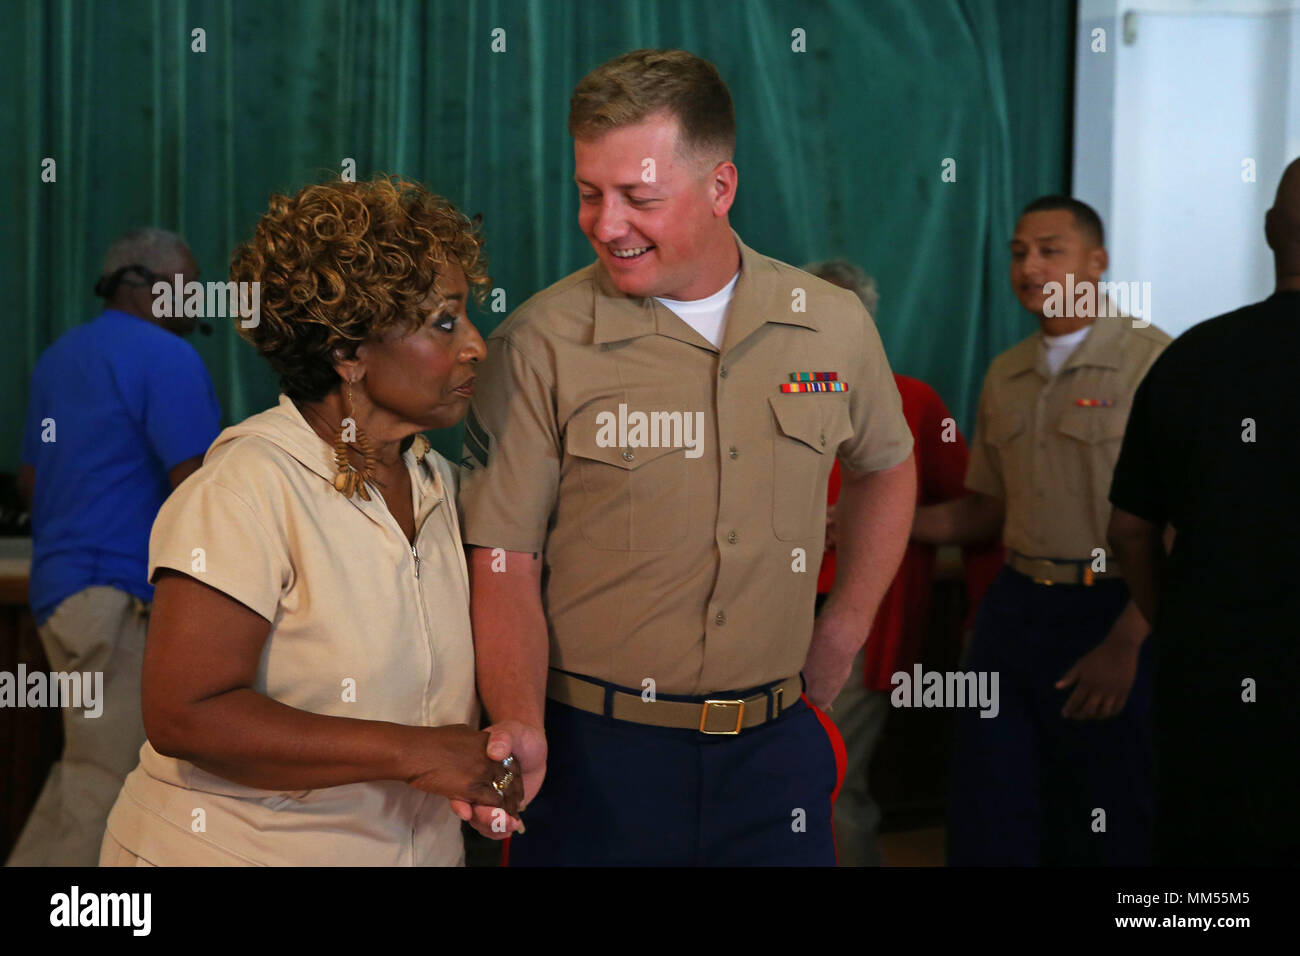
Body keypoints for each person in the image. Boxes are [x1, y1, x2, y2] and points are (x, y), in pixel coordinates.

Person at [456, 49, 916, 866]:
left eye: (639, 198)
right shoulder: (536, 345)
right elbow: (504, 559)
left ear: (720, 187)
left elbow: (887, 463)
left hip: (774, 757)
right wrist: (519, 717)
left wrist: (845, 627)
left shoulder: (832, 324)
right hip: (598, 759)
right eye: (589, 195)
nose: (606, 224)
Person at [98, 177, 522, 867]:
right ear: (347, 353)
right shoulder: (244, 487)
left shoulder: (437, 483)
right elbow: (186, 712)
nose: (475, 345)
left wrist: (477, 763)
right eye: (444, 321)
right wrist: (415, 753)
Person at [913, 196, 1171, 866]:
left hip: (1115, 609)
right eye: (1019, 252)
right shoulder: (1007, 372)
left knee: (1104, 818)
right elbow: (984, 511)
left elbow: (1183, 524)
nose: (1030, 265)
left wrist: (1128, 642)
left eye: (1050, 249)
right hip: (1017, 606)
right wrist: (873, 525)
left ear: (1097, 262)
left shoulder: (1153, 363)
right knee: (989, 808)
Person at [1108, 159, 1300, 865]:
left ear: (1269, 232)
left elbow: (1127, 530)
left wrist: (1178, 625)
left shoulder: (1192, 359)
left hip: (1211, 690)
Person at [9, 229, 221, 867]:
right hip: (118, 597)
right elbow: (201, 488)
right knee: (110, 780)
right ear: (146, 284)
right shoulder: (167, 358)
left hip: (60, 596)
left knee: (91, 767)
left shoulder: (59, 357)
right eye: (190, 287)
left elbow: (31, 481)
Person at [807, 259, 1003, 867]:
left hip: (860, 619)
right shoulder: (775, 391)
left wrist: (877, 521)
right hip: (759, 613)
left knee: (833, 776)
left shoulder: (912, 401)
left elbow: (979, 513)